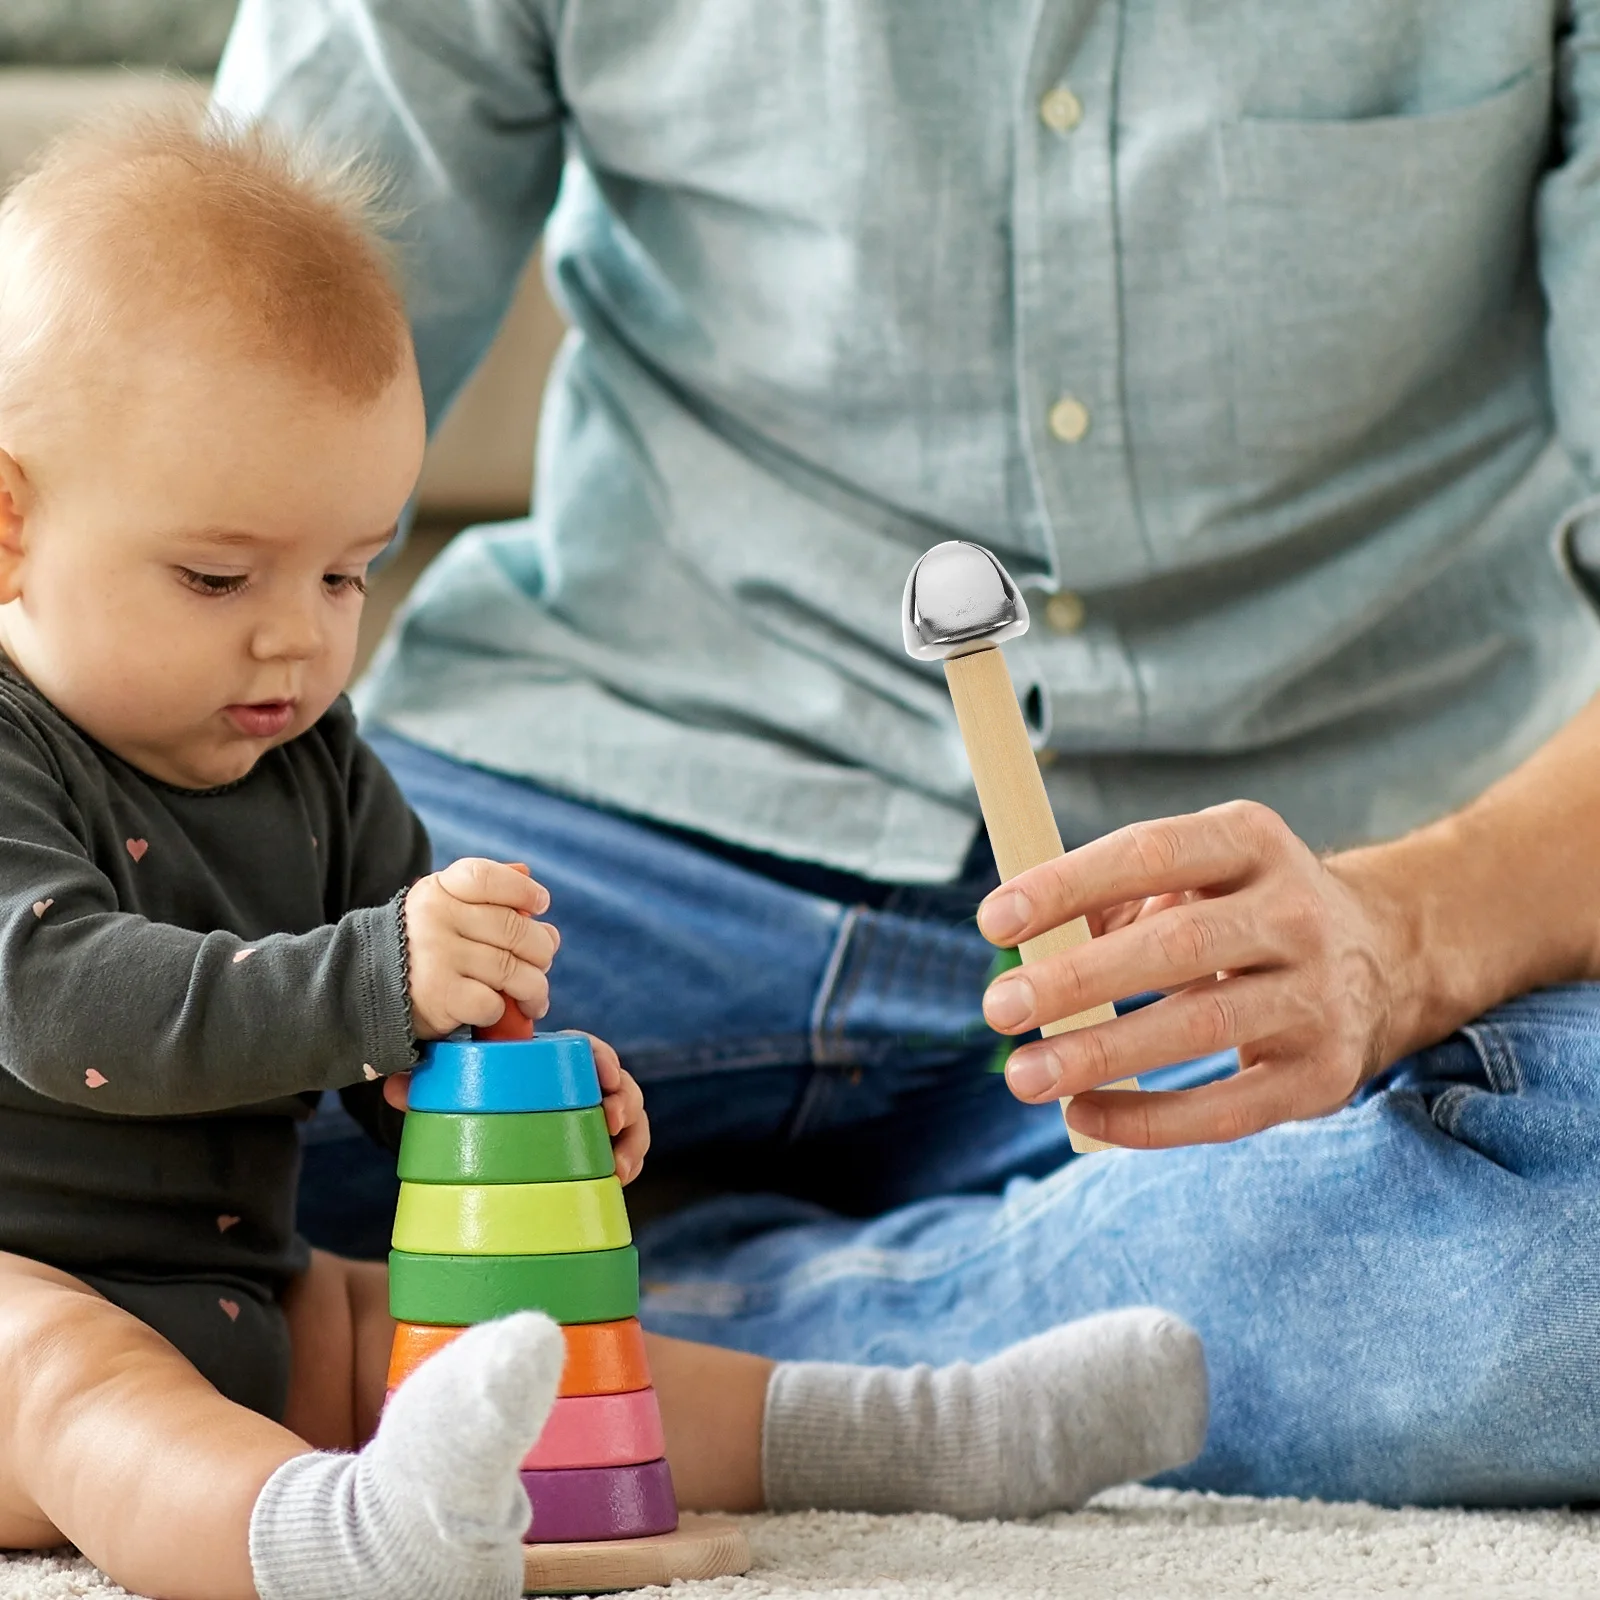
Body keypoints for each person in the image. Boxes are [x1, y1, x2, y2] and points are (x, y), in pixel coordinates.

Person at [215, 2, 1600, 1506]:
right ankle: (993, 1321)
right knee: (89, 1076)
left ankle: (559, 1321)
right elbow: (186, 389)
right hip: (599, 819)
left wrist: (1403, 932)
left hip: (1274, 916)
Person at [0, 113, 1209, 1600]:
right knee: (65, 1371)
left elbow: (395, 1051)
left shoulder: (306, 757)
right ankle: (345, 1540)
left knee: (499, 1341)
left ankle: (928, 1431)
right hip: (21, 1308)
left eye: (347, 574)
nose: (296, 639)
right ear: (9, 528)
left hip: (245, 1293)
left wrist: (516, 1085)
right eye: (217, 576)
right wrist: (379, 978)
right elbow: (59, 1009)